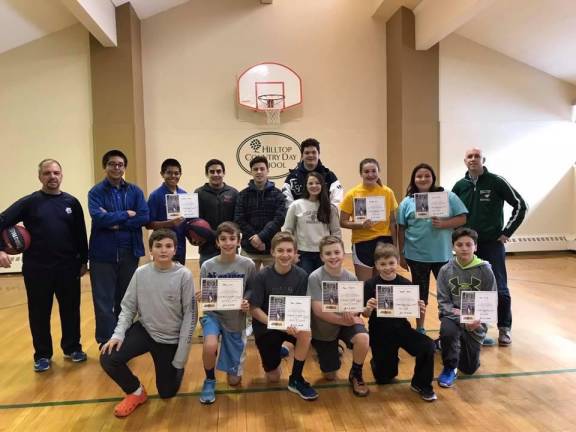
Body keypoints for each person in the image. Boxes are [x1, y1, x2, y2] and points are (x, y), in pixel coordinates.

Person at [0, 159, 88, 372]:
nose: (52, 177)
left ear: (62, 175)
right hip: (37, 268)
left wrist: (84, 260)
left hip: (67, 267)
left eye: (56, 172)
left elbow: (80, 233)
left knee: (71, 310)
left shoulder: (71, 202)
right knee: (39, 312)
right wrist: (2, 248)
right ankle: (42, 355)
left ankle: (72, 347)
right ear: (40, 177)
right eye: (47, 173)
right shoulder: (29, 202)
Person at [100, 229, 197, 417]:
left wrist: (181, 356)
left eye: (168, 246)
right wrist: (118, 335)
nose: (163, 250)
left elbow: (190, 315)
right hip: (145, 330)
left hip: (169, 338)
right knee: (108, 357)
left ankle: (176, 370)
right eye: (158, 246)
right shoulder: (141, 273)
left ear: (175, 250)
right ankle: (136, 392)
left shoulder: (183, 275)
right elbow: (128, 307)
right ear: (150, 250)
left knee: (166, 393)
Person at [452, 148, 526, 346]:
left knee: (500, 288)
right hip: (468, 247)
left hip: (492, 244)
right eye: (470, 156)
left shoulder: (496, 181)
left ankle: (504, 328)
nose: (473, 159)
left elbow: (520, 205)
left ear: (483, 160)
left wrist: (506, 232)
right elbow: (452, 213)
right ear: (465, 161)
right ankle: (475, 329)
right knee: (470, 289)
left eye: (477, 156)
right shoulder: (460, 186)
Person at [88, 150, 149, 347]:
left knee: (125, 300)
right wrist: (126, 214)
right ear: (105, 167)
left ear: (124, 168)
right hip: (102, 255)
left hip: (129, 253)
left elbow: (143, 217)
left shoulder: (135, 191)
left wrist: (115, 221)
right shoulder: (96, 192)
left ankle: (123, 338)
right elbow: (99, 218)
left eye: (120, 164)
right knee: (104, 301)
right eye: (112, 164)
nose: (117, 168)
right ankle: (106, 341)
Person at [397, 163, 467, 333]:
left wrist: (445, 223)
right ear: (414, 179)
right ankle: (420, 327)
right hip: (417, 255)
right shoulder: (407, 201)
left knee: (450, 294)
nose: (423, 179)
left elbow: (462, 218)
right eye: (419, 176)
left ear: (433, 178)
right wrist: (401, 253)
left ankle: (453, 326)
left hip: (443, 255)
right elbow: (401, 227)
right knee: (420, 295)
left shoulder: (448, 197)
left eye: (427, 175)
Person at [248, 231, 319, 400]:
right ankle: (281, 350)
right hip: (267, 326)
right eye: (280, 250)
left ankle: (296, 379)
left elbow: (302, 306)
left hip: (291, 325)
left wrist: (295, 324)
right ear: (272, 252)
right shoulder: (261, 276)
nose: (285, 255)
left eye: (289, 251)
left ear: (295, 253)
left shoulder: (302, 275)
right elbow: (254, 309)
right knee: (273, 377)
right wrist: (277, 323)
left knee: (306, 333)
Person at [362, 244, 437, 402]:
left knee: (428, 346)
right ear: (376, 265)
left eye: (391, 263)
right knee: (385, 378)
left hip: (401, 328)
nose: (387, 267)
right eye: (382, 264)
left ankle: (421, 384)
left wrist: (419, 308)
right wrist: (368, 307)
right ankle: (378, 361)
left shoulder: (406, 284)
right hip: (379, 331)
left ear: (397, 262)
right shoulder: (370, 284)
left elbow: (411, 312)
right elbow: (366, 315)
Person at [197, 222, 256, 404]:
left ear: (239, 241)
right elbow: (205, 291)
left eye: (232, 239)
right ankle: (209, 380)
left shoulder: (248, 264)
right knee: (209, 345)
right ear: (217, 242)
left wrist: (247, 300)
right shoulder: (207, 265)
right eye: (223, 239)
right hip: (213, 314)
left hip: (236, 317)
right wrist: (201, 294)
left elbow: (252, 289)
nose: (228, 243)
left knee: (234, 381)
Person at [308, 236, 370, 397]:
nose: (333, 256)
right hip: (324, 328)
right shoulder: (315, 277)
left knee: (363, 337)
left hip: (346, 323)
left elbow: (356, 306)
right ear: (321, 257)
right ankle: (334, 348)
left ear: (344, 254)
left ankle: (356, 374)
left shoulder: (351, 278)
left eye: (337, 252)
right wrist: (342, 319)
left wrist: (357, 312)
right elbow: (318, 310)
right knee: (329, 375)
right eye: (328, 253)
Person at [436, 227, 497, 388]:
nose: (464, 248)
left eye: (468, 245)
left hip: (476, 320)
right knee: (447, 331)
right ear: (453, 247)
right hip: (452, 316)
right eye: (459, 244)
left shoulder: (485, 270)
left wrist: (479, 319)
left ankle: (461, 344)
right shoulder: (445, 271)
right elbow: (443, 303)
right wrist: (461, 316)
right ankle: (449, 367)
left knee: (469, 368)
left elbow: (490, 300)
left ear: (475, 247)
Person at [340, 158, 398, 281]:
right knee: (365, 285)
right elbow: (343, 222)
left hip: (384, 241)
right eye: (366, 171)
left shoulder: (388, 192)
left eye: (373, 171)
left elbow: (393, 222)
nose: (370, 174)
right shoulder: (352, 194)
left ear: (379, 171)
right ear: (361, 174)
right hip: (362, 243)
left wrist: (395, 246)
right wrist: (360, 225)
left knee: (381, 284)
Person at [282, 171, 341, 274]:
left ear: (322, 185)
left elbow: (336, 232)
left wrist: (337, 253)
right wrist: (292, 253)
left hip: (325, 253)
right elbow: (288, 231)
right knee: (305, 284)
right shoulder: (296, 205)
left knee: (322, 284)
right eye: (310, 183)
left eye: (317, 183)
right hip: (303, 254)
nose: (314, 186)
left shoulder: (330, 208)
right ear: (306, 186)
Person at [234, 156, 286, 271]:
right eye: (255, 169)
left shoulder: (278, 195)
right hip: (249, 249)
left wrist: (261, 237)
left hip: (272, 249)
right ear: (251, 171)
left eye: (262, 169)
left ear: (268, 170)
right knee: (247, 285)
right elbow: (239, 219)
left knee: (272, 285)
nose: (259, 172)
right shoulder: (243, 195)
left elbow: (279, 219)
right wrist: (255, 240)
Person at [195, 159, 239, 266]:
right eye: (212, 172)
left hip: (229, 246)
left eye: (219, 171)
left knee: (232, 280)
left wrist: (226, 237)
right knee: (209, 281)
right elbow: (195, 220)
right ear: (207, 174)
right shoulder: (198, 193)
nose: (216, 174)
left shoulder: (234, 193)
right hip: (207, 247)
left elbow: (237, 219)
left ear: (224, 173)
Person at [147, 158, 188, 265]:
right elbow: (148, 224)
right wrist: (169, 223)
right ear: (162, 174)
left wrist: (194, 236)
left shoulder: (184, 195)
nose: (173, 176)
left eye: (176, 173)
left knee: (179, 276)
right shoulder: (155, 196)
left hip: (180, 245)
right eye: (169, 173)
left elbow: (188, 221)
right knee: (161, 277)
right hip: (162, 246)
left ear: (180, 174)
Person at [282, 138, 343, 207]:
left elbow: (336, 202)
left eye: (314, 152)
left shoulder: (329, 176)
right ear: (302, 156)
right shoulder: (292, 178)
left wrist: (327, 214)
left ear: (318, 154)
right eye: (307, 153)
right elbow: (288, 204)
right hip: (298, 217)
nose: (310, 155)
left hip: (324, 216)